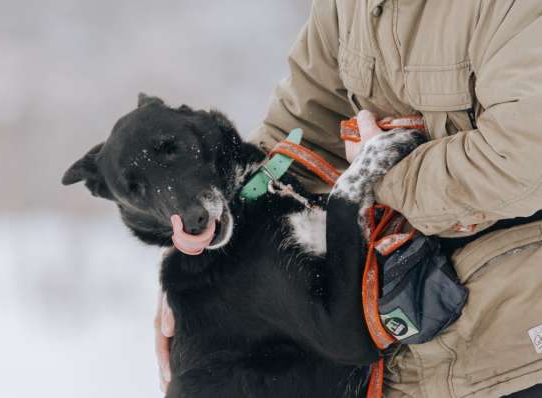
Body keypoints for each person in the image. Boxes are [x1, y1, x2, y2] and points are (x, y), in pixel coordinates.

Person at [156, 1, 542, 396]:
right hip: (397, 361)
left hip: (512, 352)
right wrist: (209, 266)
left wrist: (383, 171)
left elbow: (525, 158)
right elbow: (303, 128)